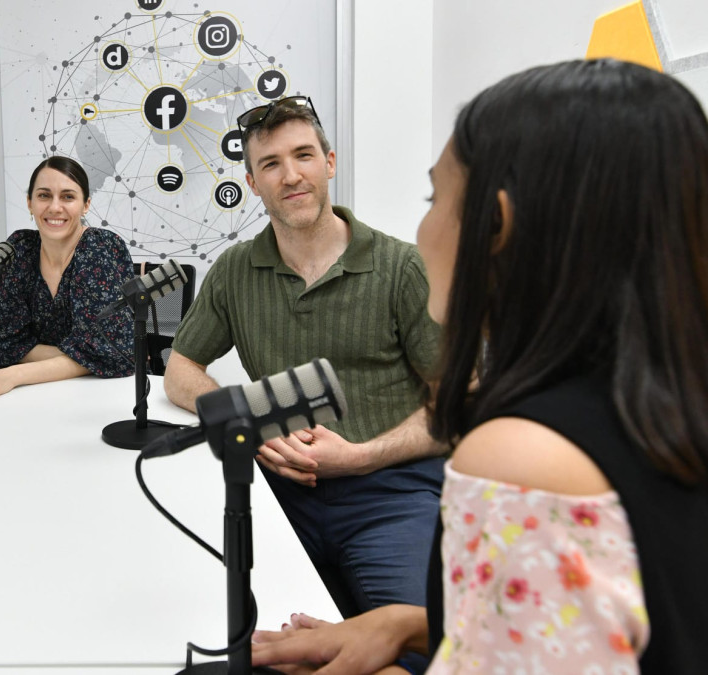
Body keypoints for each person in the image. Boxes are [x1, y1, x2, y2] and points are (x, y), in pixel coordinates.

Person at [250, 59, 708, 673]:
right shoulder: (665, 397)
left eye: (434, 197)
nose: (422, 224)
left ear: (495, 223)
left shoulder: (519, 460)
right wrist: (406, 625)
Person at [164, 96, 444, 672]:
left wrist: (361, 456)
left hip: (391, 497)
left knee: (429, 655)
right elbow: (180, 370)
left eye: (304, 156)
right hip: (276, 499)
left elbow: (456, 407)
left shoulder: (402, 268)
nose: (291, 175)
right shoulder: (236, 270)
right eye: (270, 164)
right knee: (227, 652)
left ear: (330, 162)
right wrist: (243, 418)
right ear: (252, 182)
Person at [0, 156, 134, 403]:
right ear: (29, 202)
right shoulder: (21, 248)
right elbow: (2, 345)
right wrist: (79, 358)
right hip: (37, 396)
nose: (55, 207)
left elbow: (111, 354)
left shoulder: (99, 247)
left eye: (68, 197)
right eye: (44, 195)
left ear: (86, 205)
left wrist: (15, 374)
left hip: (99, 397)